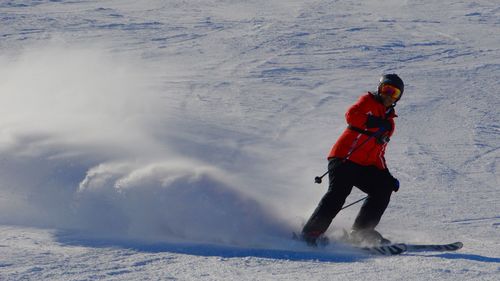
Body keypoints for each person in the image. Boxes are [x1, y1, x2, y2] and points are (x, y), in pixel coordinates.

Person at [301, 74, 404, 246]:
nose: (388, 95)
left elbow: (379, 152)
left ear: (398, 98)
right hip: (344, 158)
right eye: (386, 89)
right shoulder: (368, 102)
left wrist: (387, 176)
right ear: (380, 89)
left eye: (394, 93)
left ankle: (361, 232)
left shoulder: (390, 124)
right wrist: (372, 121)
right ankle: (311, 232)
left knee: (383, 187)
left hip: (364, 166)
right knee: (339, 193)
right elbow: (351, 115)